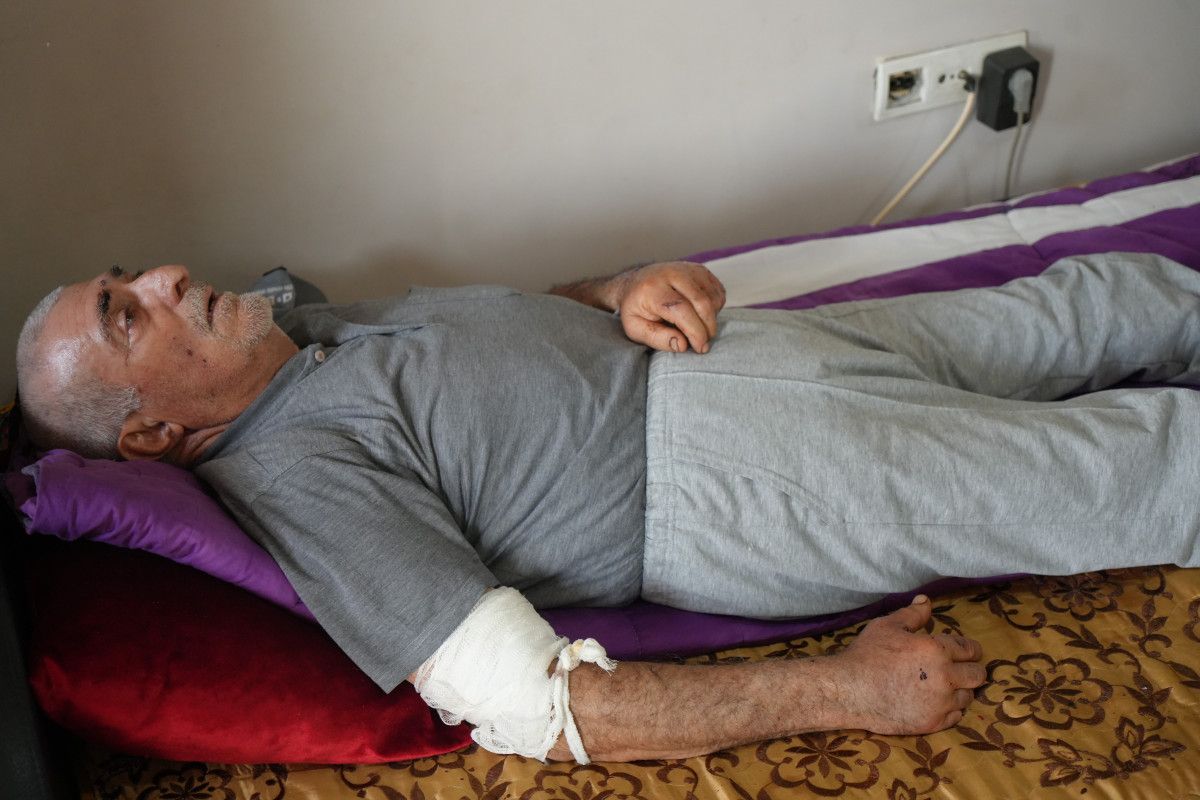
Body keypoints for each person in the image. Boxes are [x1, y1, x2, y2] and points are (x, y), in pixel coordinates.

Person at [14, 252, 1200, 763]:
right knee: (1130, 465)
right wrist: (849, 689)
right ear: (153, 436)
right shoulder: (299, 485)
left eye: (131, 275)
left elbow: (498, 338)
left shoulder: (293, 329)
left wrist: (617, 290)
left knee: (1100, 300)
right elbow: (537, 708)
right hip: (733, 472)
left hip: (731, 350)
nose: (166, 276)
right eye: (128, 313)